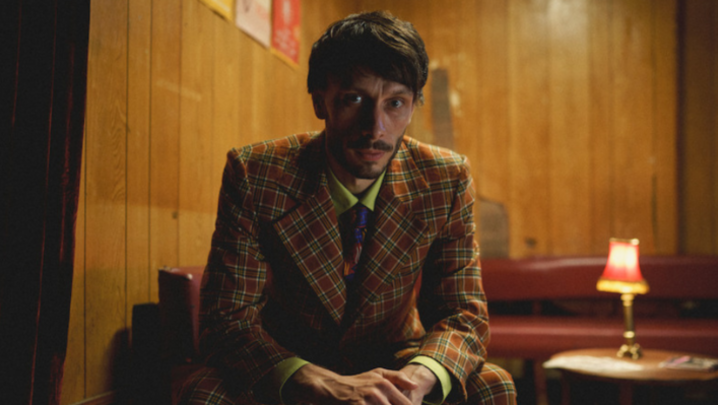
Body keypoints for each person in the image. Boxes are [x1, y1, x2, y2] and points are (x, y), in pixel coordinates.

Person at [180, 10, 516, 405]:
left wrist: (419, 376)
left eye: (395, 103)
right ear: (320, 101)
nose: (375, 127)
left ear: (413, 106)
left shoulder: (445, 178)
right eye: (354, 99)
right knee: (204, 393)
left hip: (395, 361)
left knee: (493, 384)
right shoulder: (257, 173)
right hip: (289, 359)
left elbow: (464, 316)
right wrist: (309, 378)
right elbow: (227, 322)